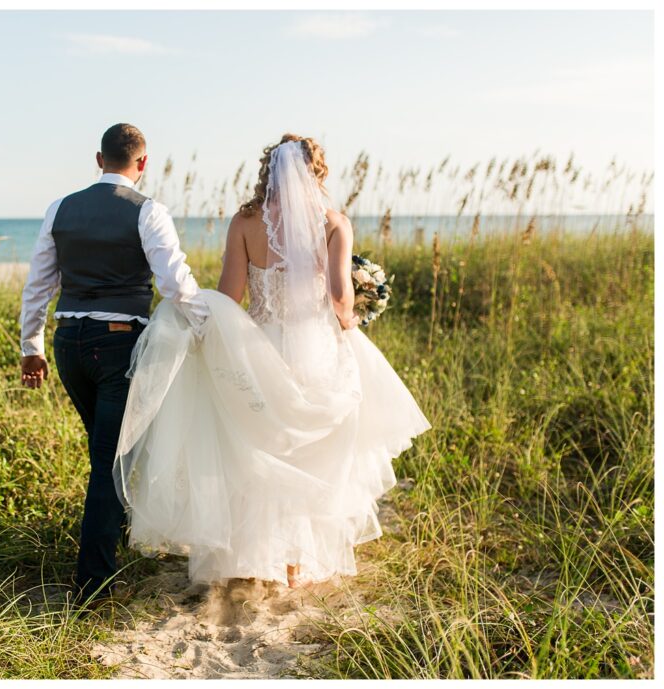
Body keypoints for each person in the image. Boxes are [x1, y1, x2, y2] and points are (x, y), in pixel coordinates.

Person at [113, 134, 432, 589]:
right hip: (316, 348)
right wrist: (355, 314)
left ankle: (246, 557)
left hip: (259, 347)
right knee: (309, 453)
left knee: (255, 447)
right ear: (316, 172)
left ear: (269, 171)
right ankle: (295, 565)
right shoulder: (334, 224)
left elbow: (230, 296)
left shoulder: (244, 223)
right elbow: (341, 299)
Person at [19, 123, 208, 606]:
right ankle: (94, 584)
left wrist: (31, 346)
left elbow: (39, 284)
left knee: (107, 452)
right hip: (118, 346)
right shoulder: (148, 211)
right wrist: (207, 326)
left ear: (99, 159)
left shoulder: (60, 208)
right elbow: (175, 283)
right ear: (141, 164)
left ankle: (111, 537)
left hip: (68, 347)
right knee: (110, 459)